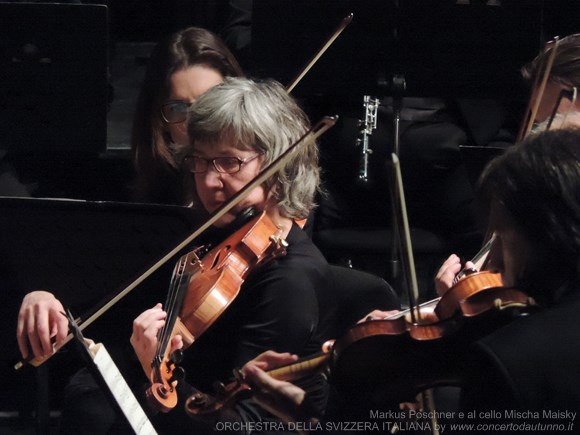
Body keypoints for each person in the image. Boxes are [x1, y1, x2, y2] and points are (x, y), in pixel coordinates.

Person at [241, 128, 580, 434]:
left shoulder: (511, 360)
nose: (495, 262)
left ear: (541, 234)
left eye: (502, 239)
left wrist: (317, 419)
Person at [16, 25, 243, 366]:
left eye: (212, 104)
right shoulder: (147, 194)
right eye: (180, 108)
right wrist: (44, 291)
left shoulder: (258, 190)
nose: (197, 122)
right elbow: (91, 282)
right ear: (160, 118)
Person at [128, 76, 332, 433]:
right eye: (201, 161)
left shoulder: (289, 281)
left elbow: (243, 427)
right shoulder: (210, 238)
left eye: (230, 163)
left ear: (279, 165)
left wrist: (163, 382)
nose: (208, 181)